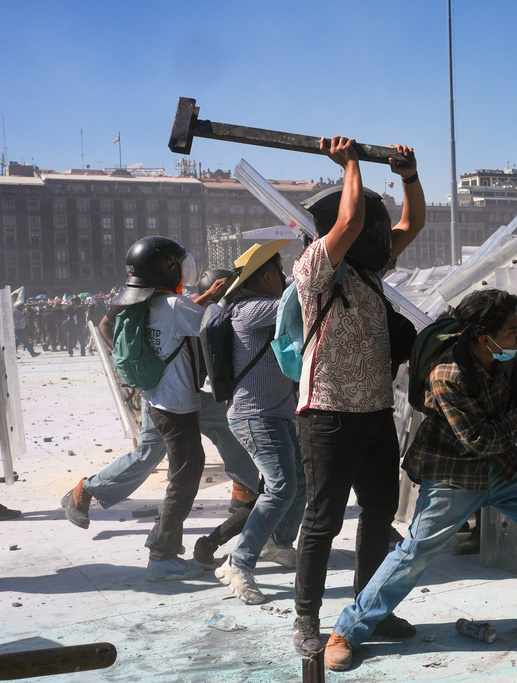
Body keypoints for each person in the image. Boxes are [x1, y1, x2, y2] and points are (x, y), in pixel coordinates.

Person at [321, 288, 517, 671]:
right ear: (484, 337)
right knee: (414, 553)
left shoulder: (501, 359)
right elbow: (479, 438)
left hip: (500, 465)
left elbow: (504, 401)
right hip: (453, 472)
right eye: (511, 330)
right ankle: (347, 631)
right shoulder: (447, 374)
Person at [291, 137, 425, 656]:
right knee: (322, 521)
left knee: (379, 513)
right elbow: (347, 224)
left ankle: (368, 610)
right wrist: (350, 165)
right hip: (328, 414)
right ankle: (306, 619)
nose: (378, 236)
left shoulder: (369, 271)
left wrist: (409, 176)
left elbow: (412, 224)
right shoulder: (316, 268)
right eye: (373, 227)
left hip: (375, 412)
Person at [108, 235, 225, 581]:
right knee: (183, 478)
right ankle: (163, 555)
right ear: (168, 268)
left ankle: (161, 535)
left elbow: (184, 317)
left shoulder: (147, 304)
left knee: (185, 471)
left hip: (157, 399)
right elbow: (215, 325)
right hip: (177, 405)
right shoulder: (175, 306)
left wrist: (205, 297)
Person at [213, 241, 306, 605]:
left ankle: (277, 543)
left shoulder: (255, 307)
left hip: (274, 414)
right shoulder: (252, 310)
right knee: (281, 486)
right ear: (267, 277)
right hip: (256, 416)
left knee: (298, 481)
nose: (283, 279)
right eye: (280, 273)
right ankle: (238, 563)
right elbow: (300, 301)